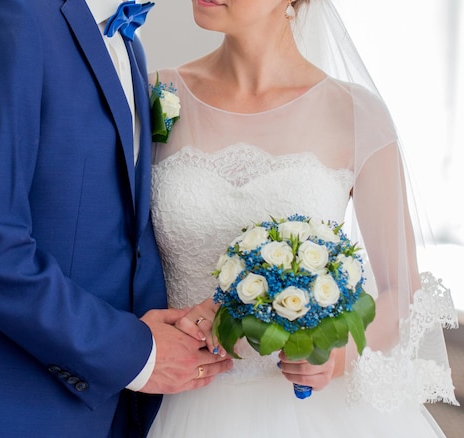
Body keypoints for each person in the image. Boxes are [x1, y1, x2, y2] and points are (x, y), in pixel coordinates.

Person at [0, 0, 233, 437]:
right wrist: (136, 354)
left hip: (104, 410)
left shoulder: (128, 45)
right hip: (4, 410)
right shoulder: (4, 15)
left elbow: (118, 236)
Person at [146, 0, 459, 436]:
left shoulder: (355, 114)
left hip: (311, 412)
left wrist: (335, 356)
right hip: (174, 396)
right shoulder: (157, 96)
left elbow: (399, 290)